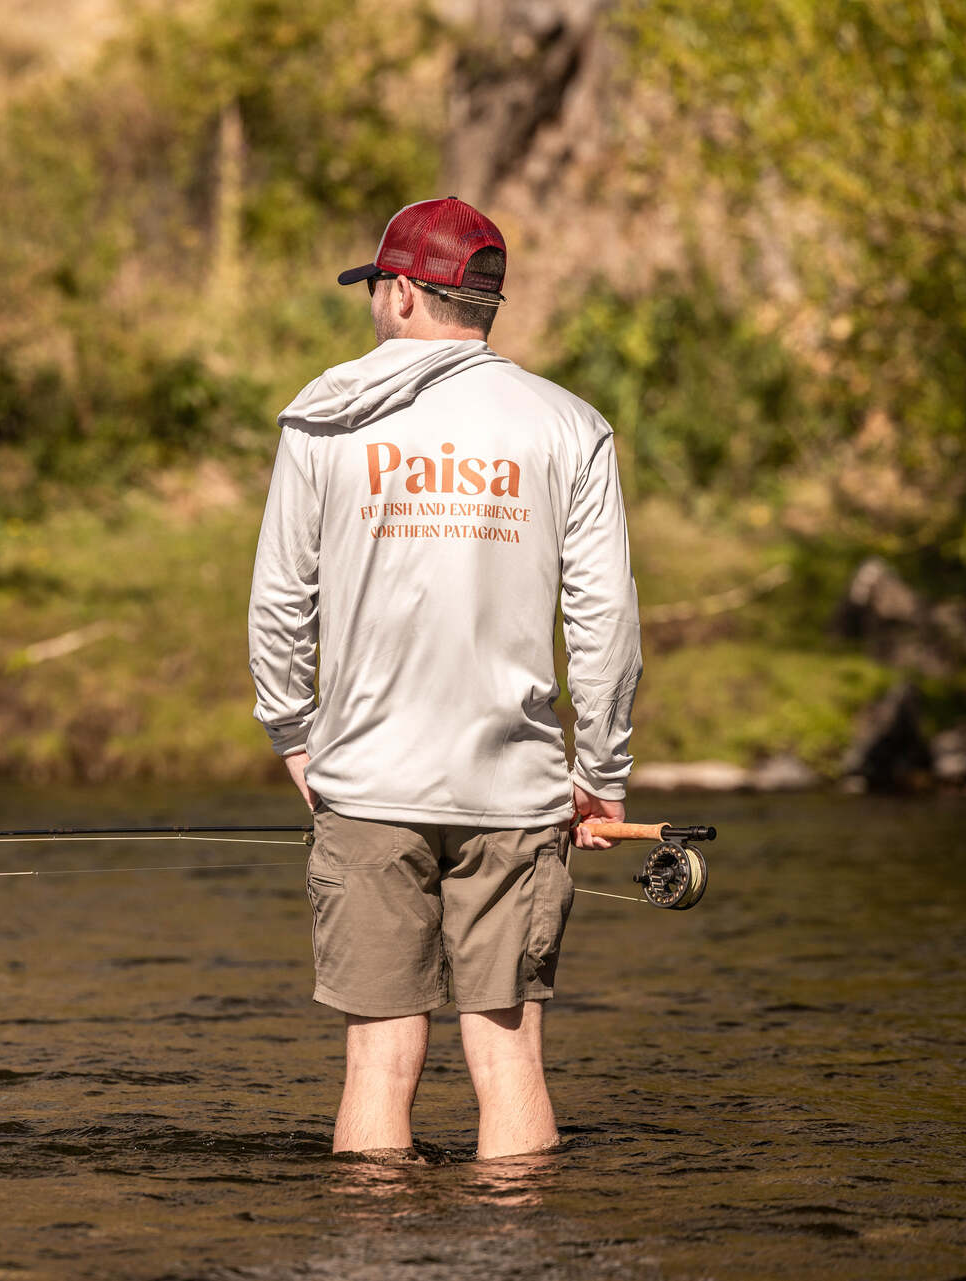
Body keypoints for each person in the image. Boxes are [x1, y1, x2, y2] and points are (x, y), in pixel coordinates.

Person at [246, 196, 641, 1160]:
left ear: (411, 295)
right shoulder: (568, 424)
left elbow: (278, 601)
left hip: (368, 785)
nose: (374, 304)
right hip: (517, 790)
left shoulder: (322, 413)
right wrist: (601, 768)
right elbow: (605, 621)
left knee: (377, 1066)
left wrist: (292, 734)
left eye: (379, 286)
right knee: (510, 1060)